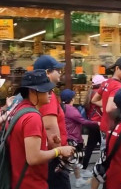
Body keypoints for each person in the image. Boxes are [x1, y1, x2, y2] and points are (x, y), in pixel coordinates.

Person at [6, 69, 74, 189]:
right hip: (31, 183)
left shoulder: (19, 110)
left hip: (19, 180)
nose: (51, 92)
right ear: (33, 91)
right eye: (46, 89)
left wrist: (47, 142)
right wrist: (60, 150)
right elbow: (33, 158)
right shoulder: (32, 117)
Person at [33, 55, 71, 189]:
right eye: (57, 70)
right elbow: (49, 127)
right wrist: (60, 153)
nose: (60, 73)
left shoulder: (39, 92)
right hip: (53, 156)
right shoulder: (47, 94)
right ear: (47, 72)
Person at [61, 89, 98, 188]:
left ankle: (79, 176)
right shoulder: (70, 109)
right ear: (71, 99)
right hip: (73, 137)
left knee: (73, 159)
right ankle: (78, 179)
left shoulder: (62, 107)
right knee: (74, 159)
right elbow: (82, 121)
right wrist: (97, 123)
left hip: (67, 136)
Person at [91, 57, 121, 140]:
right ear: (117, 68)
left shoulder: (106, 82)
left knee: (104, 151)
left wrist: (104, 105)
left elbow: (94, 100)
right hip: (112, 127)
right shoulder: (117, 85)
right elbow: (110, 108)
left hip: (104, 125)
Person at [82, 75, 107, 174]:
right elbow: (102, 109)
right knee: (104, 147)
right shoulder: (98, 94)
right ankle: (102, 168)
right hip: (99, 123)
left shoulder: (90, 93)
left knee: (90, 146)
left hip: (91, 123)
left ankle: (84, 167)